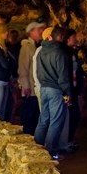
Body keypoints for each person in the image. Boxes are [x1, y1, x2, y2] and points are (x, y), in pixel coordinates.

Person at [34, 27, 71, 160]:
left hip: (44, 88)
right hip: (56, 89)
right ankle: (50, 151)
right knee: (55, 121)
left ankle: (36, 148)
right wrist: (68, 93)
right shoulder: (60, 52)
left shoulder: (40, 51)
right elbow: (63, 76)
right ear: (60, 37)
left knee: (43, 120)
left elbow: (38, 72)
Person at [18, 21, 45, 134]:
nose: (41, 32)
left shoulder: (34, 46)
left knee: (34, 113)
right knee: (29, 113)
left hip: (34, 87)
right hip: (30, 87)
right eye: (38, 30)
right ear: (31, 32)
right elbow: (23, 67)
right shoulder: (26, 47)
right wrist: (25, 86)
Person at [65, 29, 84, 149]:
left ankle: (69, 139)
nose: (76, 39)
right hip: (69, 89)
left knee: (75, 115)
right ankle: (67, 140)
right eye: (73, 37)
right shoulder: (66, 53)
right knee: (71, 115)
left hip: (73, 88)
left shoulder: (72, 52)